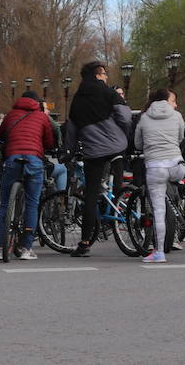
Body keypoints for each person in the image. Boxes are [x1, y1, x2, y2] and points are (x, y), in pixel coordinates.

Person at [65, 61, 132, 257]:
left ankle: (85, 242)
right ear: (96, 76)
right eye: (103, 74)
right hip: (117, 145)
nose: (106, 77)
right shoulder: (107, 92)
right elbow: (125, 117)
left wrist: (68, 151)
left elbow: (71, 130)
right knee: (119, 184)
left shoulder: (77, 99)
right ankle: (123, 210)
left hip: (93, 151)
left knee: (91, 196)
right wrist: (122, 132)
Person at [134, 87, 185, 263]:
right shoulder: (177, 116)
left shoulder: (144, 117)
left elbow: (138, 143)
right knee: (175, 183)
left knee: (158, 210)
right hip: (177, 165)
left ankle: (159, 252)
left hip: (156, 167)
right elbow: (179, 138)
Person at [0, 90, 55, 261]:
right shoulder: (42, 117)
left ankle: (0, 248)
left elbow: (0, 136)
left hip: (13, 159)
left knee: (5, 204)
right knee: (32, 203)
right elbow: (49, 142)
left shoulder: (11, 115)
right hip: (34, 160)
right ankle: (26, 249)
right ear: (37, 103)